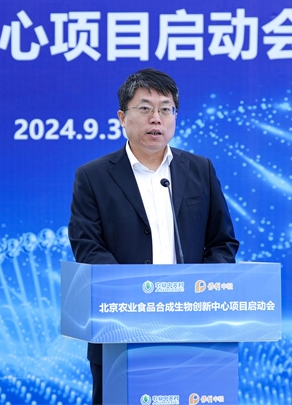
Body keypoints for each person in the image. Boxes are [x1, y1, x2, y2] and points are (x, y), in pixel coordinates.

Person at [68, 68, 239, 404]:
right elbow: (87, 246)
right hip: (120, 328)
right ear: (122, 117)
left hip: (190, 328)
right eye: (145, 108)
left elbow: (222, 242)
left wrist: (200, 292)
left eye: (165, 109)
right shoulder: (93, 176)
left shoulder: (200, 169)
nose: (156, 118)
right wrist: (138, 297)